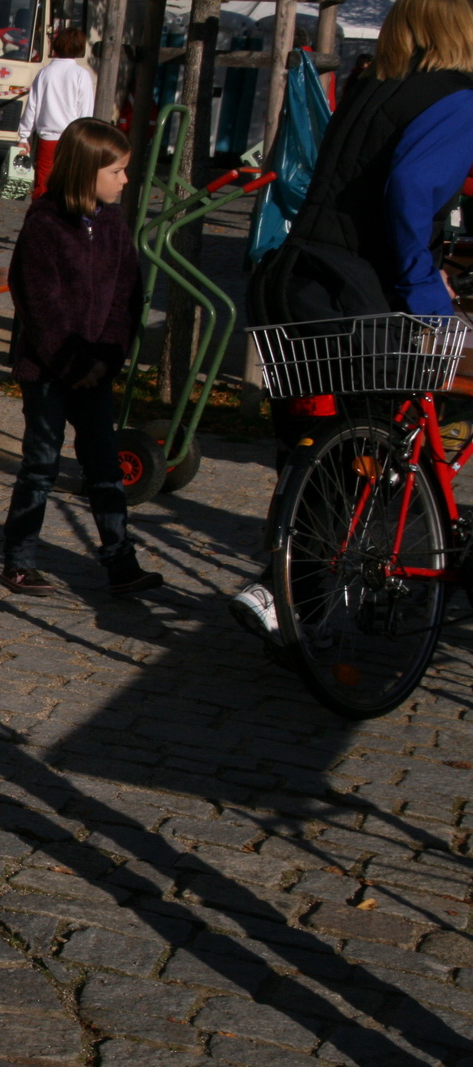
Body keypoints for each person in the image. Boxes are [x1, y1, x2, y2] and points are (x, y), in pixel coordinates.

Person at [235, 0, 473, 641]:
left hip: (296, 276)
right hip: (350, 291)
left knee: (314, 446)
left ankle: (289, 589)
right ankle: (294, 592)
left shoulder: (373, 82)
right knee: (373, 442)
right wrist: (425, 285)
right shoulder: (456, 97)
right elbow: (409, 190)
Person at [1, 118, 160, 598]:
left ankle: (120, 561)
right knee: (42, 463)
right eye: (118, 171)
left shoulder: (112, 222)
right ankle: (19, 560)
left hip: (94, 369)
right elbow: (38, 306)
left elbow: (126, 297)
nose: (125, 180)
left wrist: (104, 361)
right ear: (87, 172)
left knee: (104, 463)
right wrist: (73, 367)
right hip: (48, 369)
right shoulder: (44, 225)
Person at [17, 27, 95, 200]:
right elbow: (85, 112)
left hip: (47, 137)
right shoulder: (82, 75)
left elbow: (32, 107)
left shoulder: (45, 73)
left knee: (43, 185)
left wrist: (24, 136)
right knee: (70, 186)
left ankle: (38, 221)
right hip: (72, 139)